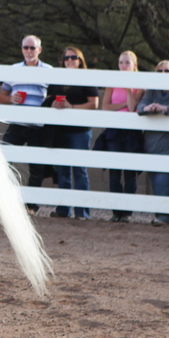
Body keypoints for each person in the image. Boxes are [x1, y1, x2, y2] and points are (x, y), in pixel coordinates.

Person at [0, 35, 54, 214]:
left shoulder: (49, 70)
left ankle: (31, 206)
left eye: (32, 48)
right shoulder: (13, 69)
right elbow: (2, 97)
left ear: (40, 49)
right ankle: (2, 200)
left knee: (36, 166)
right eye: (26, 48)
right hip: (17, 123)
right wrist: (11, 98)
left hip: (38, 125)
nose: (29, 51)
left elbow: (54, 95)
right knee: (3, 159)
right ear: (21, 49)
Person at [46, 46, 99, 219]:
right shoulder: (57, 78)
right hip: (60, 131)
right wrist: (52, 104)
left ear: (80, 60)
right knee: (62, 170)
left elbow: (94, 104)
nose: (69, 60)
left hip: (80, 131)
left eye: (73, 57)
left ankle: (82, 213)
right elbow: (48, 98)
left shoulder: (87, 78)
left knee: (79, 170)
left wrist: (72, 107)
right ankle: (63, 210)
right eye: (66, 58)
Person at [137, 61, 169, 226]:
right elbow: (140, 107)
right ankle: (161, 216)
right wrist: (149, 108)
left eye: (168, 71)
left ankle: (168, 216)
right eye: (160, 71)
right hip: (151, 145)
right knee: (155, 182)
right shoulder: (152, 90)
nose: (163, 73)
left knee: (163, 181)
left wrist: (164, 108)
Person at [101, 50, 145, 222]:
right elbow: (105, 107)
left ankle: (127, 211)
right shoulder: (112, 83)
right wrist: (123, 104)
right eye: (121, 62)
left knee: (130, 172)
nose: (123, 66)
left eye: (127, 62)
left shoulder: (140, 84)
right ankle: (116, 210)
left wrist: (128, 90)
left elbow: (133, 106)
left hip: (132, 132)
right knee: (114, 171)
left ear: (135, 65)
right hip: (114, 130)